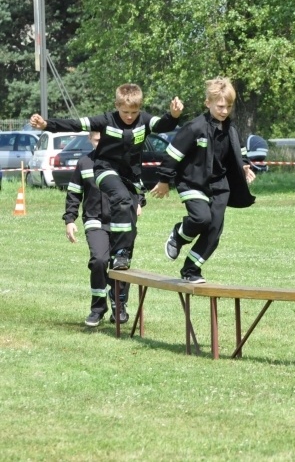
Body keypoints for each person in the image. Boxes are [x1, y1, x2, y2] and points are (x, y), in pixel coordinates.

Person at [31, 84, 183, 272]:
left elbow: (163, 125)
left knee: (128, 212)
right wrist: (47, 124)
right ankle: (120, 252)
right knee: (122, 197)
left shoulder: (144, 120)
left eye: (134, 112)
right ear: (116, 105)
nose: (129, 116)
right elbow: (76, 124)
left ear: (140, 108)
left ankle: (122, 262)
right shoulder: (106, 120)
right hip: (105, 169)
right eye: (125, 111)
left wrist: (174, 115)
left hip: (130, 177)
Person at [151, 77, 256, 284]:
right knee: (201, 219)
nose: (224, 111)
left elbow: (239, 152)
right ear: (208, 103)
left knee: (214, 231)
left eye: (228, 107)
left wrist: (244, 166)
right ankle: (178, 235)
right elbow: (172, 154)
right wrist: (164, 181)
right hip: (192, 183)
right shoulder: (194, 127)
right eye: (220, 106)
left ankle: (191, 269)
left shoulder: (231, 129)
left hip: (220, 186)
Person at [64, 131, 143, 326]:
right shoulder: (84, 163)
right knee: (99, 260)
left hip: (123, 224)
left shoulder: (125, 162)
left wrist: (139, 202)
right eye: (97, 140)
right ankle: (97, 309)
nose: (101, 144)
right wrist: (70, 219)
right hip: (95, 220)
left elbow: (138, 187)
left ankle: (120, 307)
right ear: (90, 139)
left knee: (121, 265)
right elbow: (74, 193)